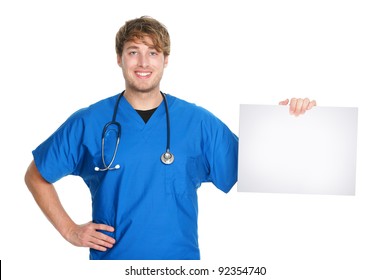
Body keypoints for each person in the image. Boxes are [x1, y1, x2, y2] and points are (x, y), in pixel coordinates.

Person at [24, 16, 316, 260]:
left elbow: (258, 167)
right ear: (119, 58)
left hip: (180, 267)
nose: (143, 62)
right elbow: (36, 175)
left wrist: (285, 123)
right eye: (133, 51)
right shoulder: (89, 121)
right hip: (114, 267)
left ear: (165, 60)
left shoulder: (198, 122)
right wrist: (70, 231)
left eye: (153, 53)